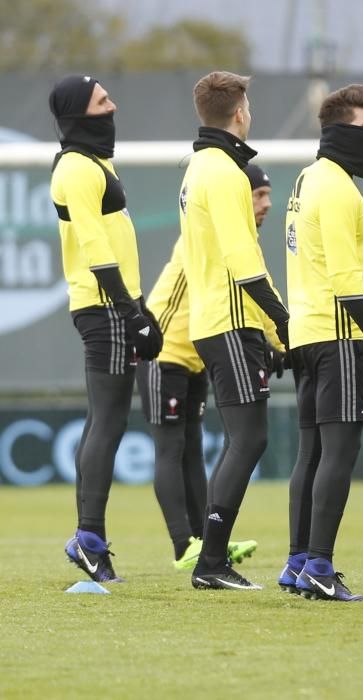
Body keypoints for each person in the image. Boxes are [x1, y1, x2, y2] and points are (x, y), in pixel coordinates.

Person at [278, 84, 363, 602]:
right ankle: (321, 566)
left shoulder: (307, 179)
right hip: (340, 335)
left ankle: (299, 561)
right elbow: (349, 283)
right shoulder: (340, 189)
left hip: (306, 334)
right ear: (341, 130)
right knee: (339, 454)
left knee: (311, 453)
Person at [136, 164, 283, 571]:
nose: (266, 204)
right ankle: (184, 545)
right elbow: (165, 301)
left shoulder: (234, 244)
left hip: (196, 358)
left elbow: (255, 295)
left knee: (194, 450)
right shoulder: (199, 243)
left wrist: (278, 343)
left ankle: (205, 539)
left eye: (268, 195)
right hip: (163, 356)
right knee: (170, 450)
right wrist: (148, 343)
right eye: (259, 195)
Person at [49, 74, 163, 583]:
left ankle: (88, 538)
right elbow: (95, 247)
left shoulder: (94, 161)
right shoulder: (75, 167)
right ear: (79, 113)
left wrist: (140, 304)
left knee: (105, 420)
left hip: (113, 304)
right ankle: (90, 538)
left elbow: (114, 240)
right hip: (103, 307)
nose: (112, 105)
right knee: (109, 421)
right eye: (101, 101)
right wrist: (129, 311)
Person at [180, 71, 289, 590]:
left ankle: (211, 557)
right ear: (240, 112)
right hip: (228, 321)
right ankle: (211, 563)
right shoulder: (224, 171)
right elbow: (245, 261)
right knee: (247, 440)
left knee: (244, 439)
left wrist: (270, 330)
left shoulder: (199, 166)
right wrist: (283, 322)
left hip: (216, 319)